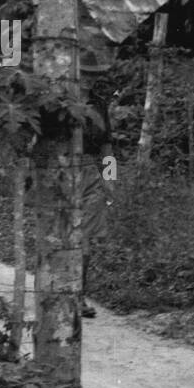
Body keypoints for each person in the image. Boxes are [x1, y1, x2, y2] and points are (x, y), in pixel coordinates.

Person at [79, 58, 116, 319]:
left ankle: (78, 297)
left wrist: (109, 176)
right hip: (59, 170)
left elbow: (106, 145)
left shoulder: (99, 104)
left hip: (90, 170)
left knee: (85, 242)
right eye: (85, 73)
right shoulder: (56, 100)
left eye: (93, 74)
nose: (89, 78)